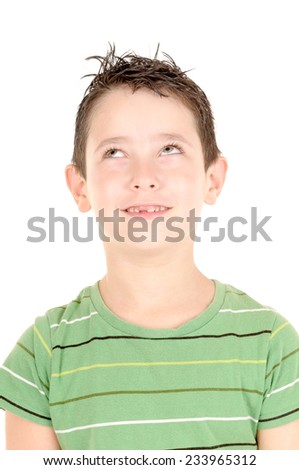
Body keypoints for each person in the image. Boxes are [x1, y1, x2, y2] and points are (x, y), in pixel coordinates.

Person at [0, 44, 298, 450]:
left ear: (213, 179)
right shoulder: (41, 356)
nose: (144, 177)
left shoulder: (272, 347)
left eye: (169, 149)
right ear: (80, 186)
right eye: (115, 152)